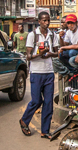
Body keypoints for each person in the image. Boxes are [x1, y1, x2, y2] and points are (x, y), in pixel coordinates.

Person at [19, 11, 59, 139]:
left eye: (48, 20)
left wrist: (49, 53)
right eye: (44, 20)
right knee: (36, 101)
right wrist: (41, 54)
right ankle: (24, 120)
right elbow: (29, 57)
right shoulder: (32, 35)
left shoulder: (53, 35)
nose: (47, 23)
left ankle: (45, 131)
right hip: (36, 72)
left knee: (48, 103)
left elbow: (57, 53)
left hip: (49, 72)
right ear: (39, 21)